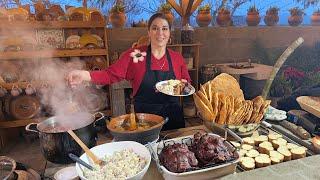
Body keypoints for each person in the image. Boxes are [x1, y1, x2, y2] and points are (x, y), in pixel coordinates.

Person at [67, 13, 191, 130]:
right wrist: (85, 75)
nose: (160, 33)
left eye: (164, 28)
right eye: (155, 28)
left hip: (173, 118)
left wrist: (185, 85)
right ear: (149, 32)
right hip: (145, 120)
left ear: (169, 33)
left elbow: (186, 83)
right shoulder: (135, 55)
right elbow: (110, 74)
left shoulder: (177, 58)